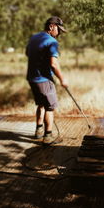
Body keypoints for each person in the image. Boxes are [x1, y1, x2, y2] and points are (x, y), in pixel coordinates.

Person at [26, 16, 68, 145]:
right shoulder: (52, 41)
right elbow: (54, 64)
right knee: (50, 107)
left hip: (32, 78)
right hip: (44, 80)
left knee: (41, 104)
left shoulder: (34, 38)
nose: (59, 33)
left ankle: (38, 131)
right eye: (58, 29)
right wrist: (62, 79)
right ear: (51, 26)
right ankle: (48, 137)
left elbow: (28, 53)